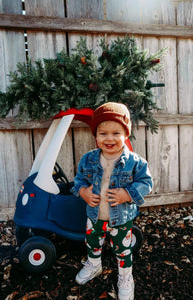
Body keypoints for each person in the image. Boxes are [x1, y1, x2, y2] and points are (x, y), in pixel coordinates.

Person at [71, 102, 153, 300]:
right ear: (96, 135)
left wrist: (127, 194)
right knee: (92, 243)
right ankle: (94, 265)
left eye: (116, 133)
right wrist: (83, 192)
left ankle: (125, 277)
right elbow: (78, 180)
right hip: (95, 215)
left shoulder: (135, 162)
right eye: (103, 133)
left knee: (123, 250)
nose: (109, 139)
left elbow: (146, 182)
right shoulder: (88, 159)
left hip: (121, 219)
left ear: (126, 134)